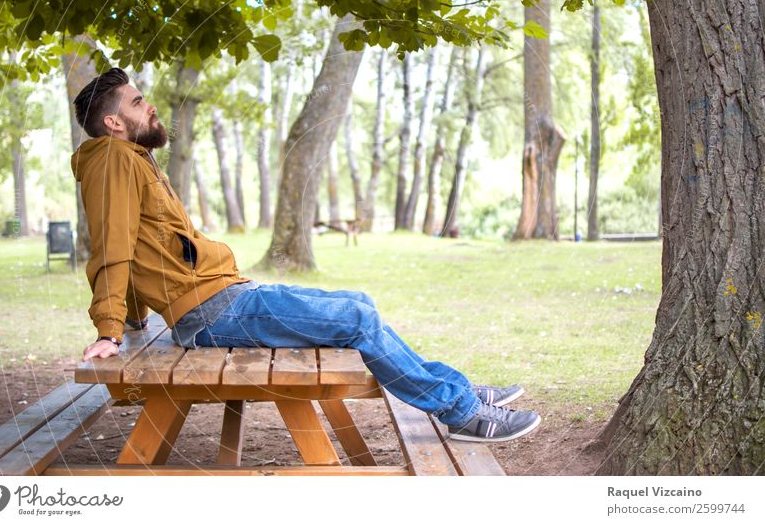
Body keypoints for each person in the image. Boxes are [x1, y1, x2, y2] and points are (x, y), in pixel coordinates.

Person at [71, 67, 541, 443]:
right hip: (211, 312)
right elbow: (112, 246)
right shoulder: (113, 160)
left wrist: (133, 321)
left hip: (226, 296)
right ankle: (461, 412)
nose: (148, 104)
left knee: (359, 304)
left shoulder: (129, 158)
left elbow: (135, 245)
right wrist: (110, 331)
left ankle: (457, 389)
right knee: (355, 320)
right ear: (113, 122)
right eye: (136, 102)